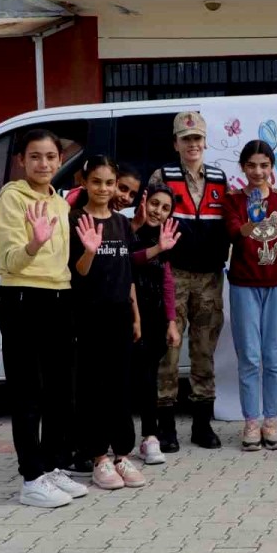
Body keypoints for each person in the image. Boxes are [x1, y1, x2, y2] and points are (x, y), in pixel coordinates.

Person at [0, 129, 89, 508]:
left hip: (59, 296)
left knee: (59, 392)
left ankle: (50, 467)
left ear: (60, 159)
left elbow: (66, 263)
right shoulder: (12, 199)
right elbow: (10, 259)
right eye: (35, 156)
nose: (44, 163)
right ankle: (31, 478)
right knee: (27, 392)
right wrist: (34, 242)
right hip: (22, 298)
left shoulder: (60, 202)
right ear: (21, 160)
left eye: (51, 156)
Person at [149, 111, 230, 452]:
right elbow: (151, 218)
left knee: (204, 351)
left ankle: (201, 424)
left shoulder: (218, 177)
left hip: (210, 277)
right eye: (186, 139)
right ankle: (165, 427)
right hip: (173, 276)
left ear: (205, 141)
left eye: (197, 138)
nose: (192, 144)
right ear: (175, 144)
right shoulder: (162, 176)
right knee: (168, 351)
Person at [71, 155, 148, 490]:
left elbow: (126, 273)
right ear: (85, 183)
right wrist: (89, 249)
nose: (103, 189)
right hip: (88, 315)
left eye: (109, 183)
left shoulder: (120, 222)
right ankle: (97, 457)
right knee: (92, 387)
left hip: (119, 313)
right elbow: (79, 271)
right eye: (97, 182)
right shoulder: (76, 219)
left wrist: (135, 314)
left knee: (120, 386)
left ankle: (122, 454)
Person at [225, 140, 277, 451]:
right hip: (244, 285)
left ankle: (271, 421)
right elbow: (231, 233)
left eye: (264, 165)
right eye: (252, 165)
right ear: (243, 167)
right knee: (250, 357)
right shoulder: (232, 200)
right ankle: (251, 422)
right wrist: (250, 222)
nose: (258, 171)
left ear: (272, 167)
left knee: (273, 357)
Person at [128, 185, 182, 466]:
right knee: (124, 381)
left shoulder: (166, 237)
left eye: (165, 209)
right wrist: (157, 247)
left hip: (155, 316)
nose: (157, 212)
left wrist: (171, 322)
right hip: (126, 315)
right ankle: (116, 442)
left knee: (149, 379)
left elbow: (168, 282)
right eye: (154, 204)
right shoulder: (124, 229)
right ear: (143, 201)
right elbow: (129, 261)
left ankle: (150, 437)